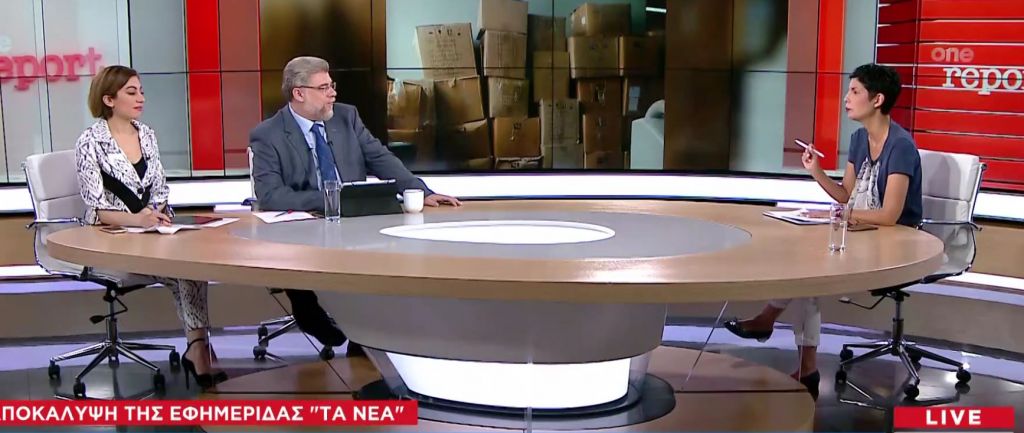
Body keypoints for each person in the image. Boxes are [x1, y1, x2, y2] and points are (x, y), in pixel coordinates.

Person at [724, 63, 923, 400]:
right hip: (863, 233)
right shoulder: (859, 139)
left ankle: (771, 324)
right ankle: (804, 365)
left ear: (877, 100)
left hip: (896, 243)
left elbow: (890, 216)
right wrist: (816, 172)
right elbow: (846, 195)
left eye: (855, 92)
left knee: (810, 271)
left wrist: (839, 215)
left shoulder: (900, 145)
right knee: (806, 268)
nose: (846, 98)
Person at [250, 56, 461, 355]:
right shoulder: (268, 134)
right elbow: (270, 195)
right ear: (299, 93)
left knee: (389, 255)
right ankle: (306, 307)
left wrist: (419, 190)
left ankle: (364, 337)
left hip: (354, 223)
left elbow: (381, 158)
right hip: (305, 228)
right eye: (324, 88)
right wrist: (332, 199)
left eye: (331, 85)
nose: (333, 93)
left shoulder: (346, 117)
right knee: (303, 260)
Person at [75, 65, 226, 388]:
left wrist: (157, 215)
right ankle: (199, 350)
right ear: (109, 99)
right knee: (184, 270)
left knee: (192, 267)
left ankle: (198, 347)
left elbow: (159, 189)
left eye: (141, 91)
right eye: (131, 92)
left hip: (151, 235)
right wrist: (138, 220)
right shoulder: (90, 142)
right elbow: (97, 209)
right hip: (111, 240)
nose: (140, 98)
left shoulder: (147, 134)